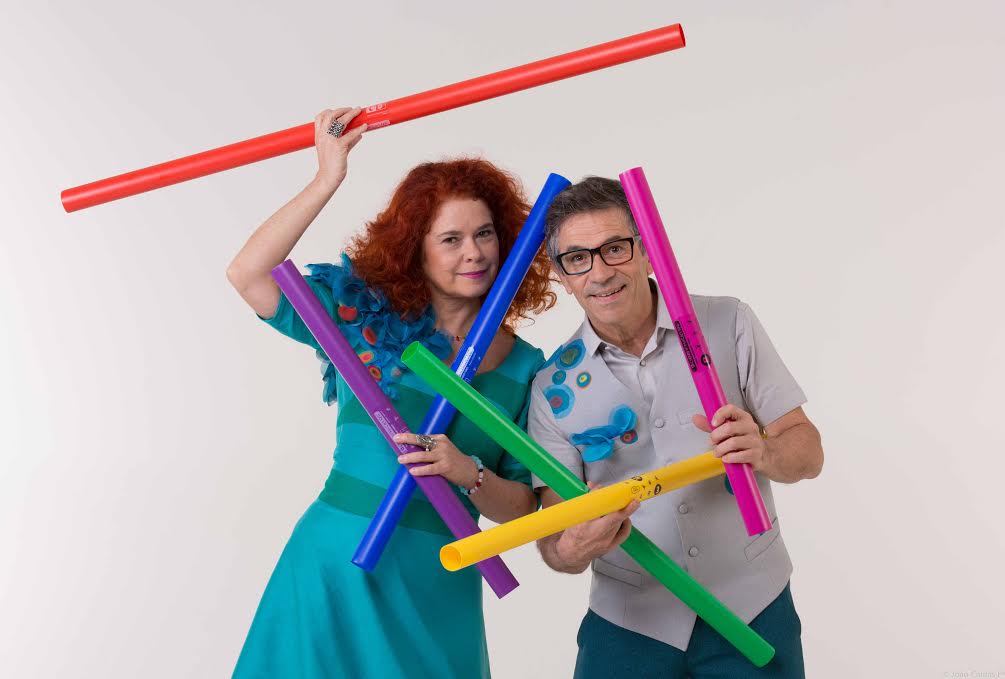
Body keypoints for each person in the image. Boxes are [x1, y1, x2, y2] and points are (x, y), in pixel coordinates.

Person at [225, 106, 555, 678]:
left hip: (438, 579)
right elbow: (249, 273)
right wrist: (327, 177)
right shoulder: (363, 320)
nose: (474, 253)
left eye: (484, 234)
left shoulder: (525, 367)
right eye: (450, 239)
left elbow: (523, 506)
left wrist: (467, 472)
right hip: (336, 566)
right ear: (415, 249)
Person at [528, 177, 824, 678]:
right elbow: (555, 542)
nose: (600, 272)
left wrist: (764, 451)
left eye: (615, 248)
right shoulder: (550, 388)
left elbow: (809, 453)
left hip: (753, 607)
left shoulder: (728, 322)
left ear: (647, 250)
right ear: (562, 275)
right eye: (578, 258)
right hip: (629, 624)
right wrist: (577, 545)